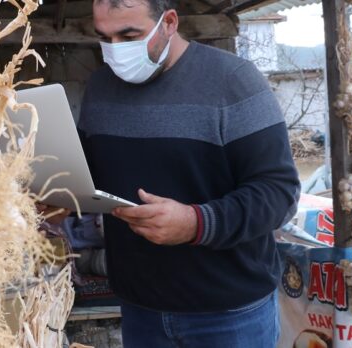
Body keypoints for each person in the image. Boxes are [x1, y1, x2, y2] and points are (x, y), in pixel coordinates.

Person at [76, 0, 301, 346]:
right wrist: (63, 192)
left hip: (229, 312)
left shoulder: (234, 81)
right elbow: (94, 174)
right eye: (104, 37)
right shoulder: (101, 88)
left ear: (168, 22)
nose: (116, 51)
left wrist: (196, 223)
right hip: (140, 307)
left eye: (129, 35)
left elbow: (279, 193)